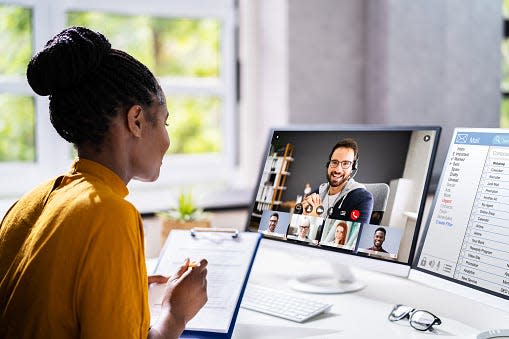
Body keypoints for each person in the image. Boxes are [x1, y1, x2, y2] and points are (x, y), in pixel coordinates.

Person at [0, 27, 207, 338]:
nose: (167, 140)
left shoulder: (30, 202)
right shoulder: (110, 214)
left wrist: (126, 286)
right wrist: (176, 313)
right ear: (136, 120)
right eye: (165, 122)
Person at [301, 138, 373, 224]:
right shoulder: (316, 194)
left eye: (346, 163)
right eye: (334, 162)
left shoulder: (363, 198)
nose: (338, 170)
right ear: (328, 164)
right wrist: (302, 216)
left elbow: (354, 236)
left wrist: (315, 220)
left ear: (353, 168)